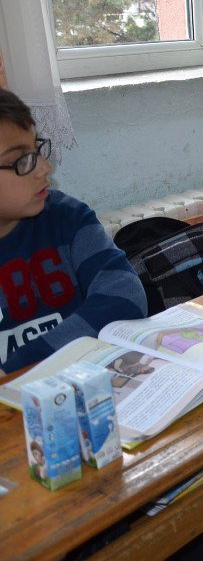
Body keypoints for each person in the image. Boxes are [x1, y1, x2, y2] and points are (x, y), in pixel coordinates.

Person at [0, 88, 147, 375]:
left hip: (78, 382)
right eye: (21, 160)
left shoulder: (66, 218)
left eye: (37, 149)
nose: (44, 168)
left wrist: (22, 364)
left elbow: (125, 296)